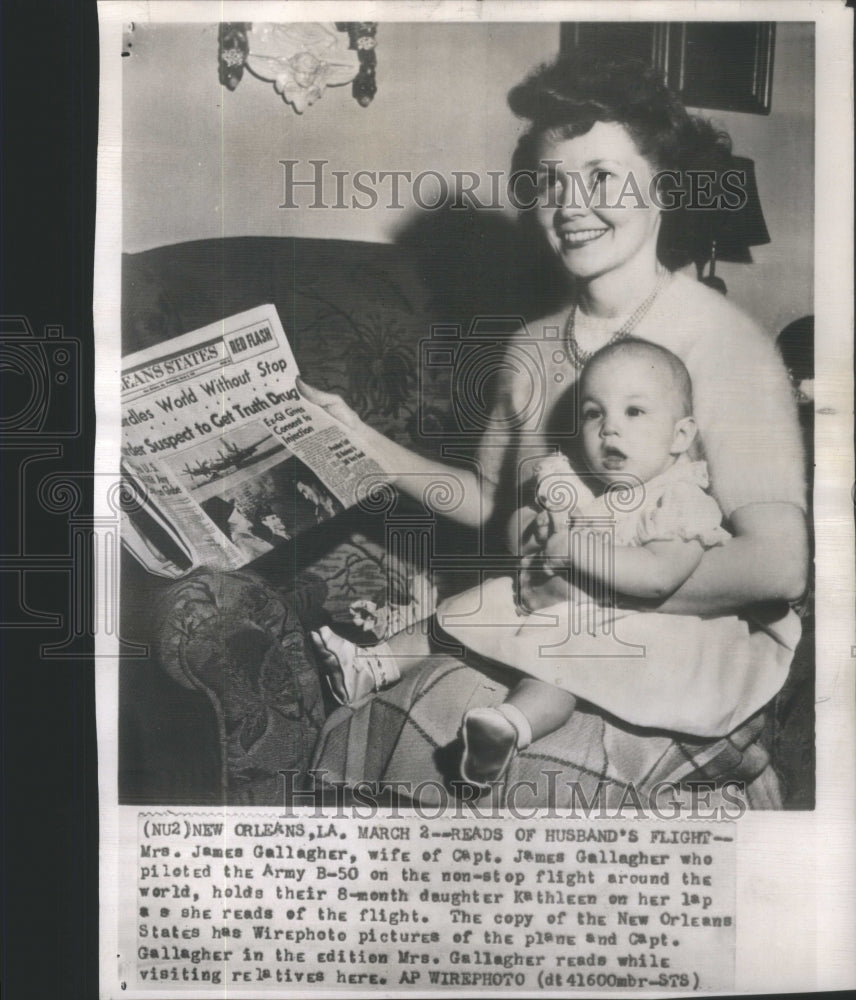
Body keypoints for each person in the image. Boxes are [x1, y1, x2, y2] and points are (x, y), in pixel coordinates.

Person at [298, 54, 807, 803]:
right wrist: (358, 440)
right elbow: (489, 501)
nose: (571, 204)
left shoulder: (722, 342)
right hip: (551, 625)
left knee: (531, 782)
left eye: (602, 177)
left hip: (685, 649)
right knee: (397, 727)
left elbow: (779, 569)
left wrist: (579, 579)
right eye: (550, 181)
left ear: (662, 186)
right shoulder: (532, 345)